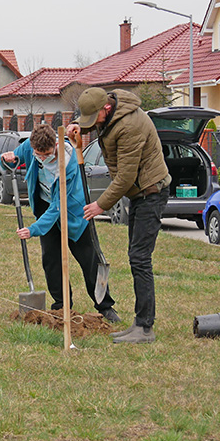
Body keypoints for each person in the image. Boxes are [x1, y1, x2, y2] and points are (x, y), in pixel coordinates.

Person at [67, 87, 171, 344]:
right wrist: (75, 127)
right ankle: (140, 322)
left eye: (94, 118)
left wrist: (100, 205)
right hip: (139, 194)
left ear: (106, 108)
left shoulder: (130, 126)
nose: (92, 123)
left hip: (151, 191)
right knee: (136, 256)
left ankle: (145, 327)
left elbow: (125, 177)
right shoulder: (110, 112)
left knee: (140, 258)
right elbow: (96, 125)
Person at [1, 124, 119, 322]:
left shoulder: (69, 162)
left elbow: (58, 206)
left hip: (74, 213)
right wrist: (7, 157)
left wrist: (33, 229)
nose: (42, 157)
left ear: (55, 145)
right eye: (38, 153)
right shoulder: (31, 148)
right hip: (45, 208)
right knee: (52, 261)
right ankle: (61, 306)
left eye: (46, 154)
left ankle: (105, 306)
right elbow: (10, 158)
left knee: (89, 260)